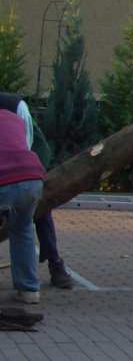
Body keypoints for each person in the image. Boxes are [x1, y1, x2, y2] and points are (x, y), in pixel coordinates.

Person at [1, 91, 73, 290]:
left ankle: (55, 263)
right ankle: (28, 285)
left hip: (30, 154)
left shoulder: (14, 106)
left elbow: (23, 148)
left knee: (39, 207)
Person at [1, 106, 45, 304]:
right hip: (31, 177)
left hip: (4, 178)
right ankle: (29, 290)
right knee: (23, 229)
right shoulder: (14, 118)